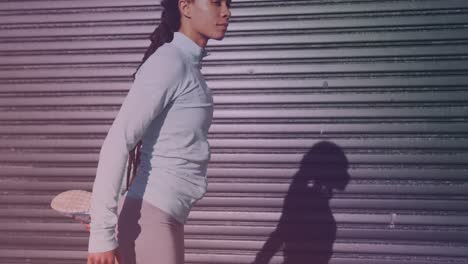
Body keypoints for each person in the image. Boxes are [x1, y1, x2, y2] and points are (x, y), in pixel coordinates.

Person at [85, 0, 231, 263]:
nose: (226, 11)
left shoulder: (187, 65)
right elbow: (118, 141)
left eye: (229, 3)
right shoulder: (169, 61)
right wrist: (101, 234)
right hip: (151, 217)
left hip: (163, 215)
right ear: (186, 7)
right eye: (216, 2)